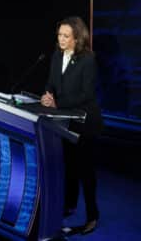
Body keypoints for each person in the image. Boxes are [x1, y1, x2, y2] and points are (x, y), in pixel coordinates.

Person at [41, 16, 104, 235]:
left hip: (86, 122)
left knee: (86, 171)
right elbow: (51, 82)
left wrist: (58, 103)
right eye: (59, 35)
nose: (61, 39)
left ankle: (92, 216)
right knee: (69, 167)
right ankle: (69, 205)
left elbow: (86, 94)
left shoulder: (88, 59)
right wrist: (47, 96)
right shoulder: (56, 56)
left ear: (77, 38)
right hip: (65, 120)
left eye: (66, 36)